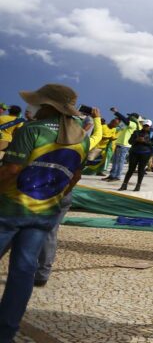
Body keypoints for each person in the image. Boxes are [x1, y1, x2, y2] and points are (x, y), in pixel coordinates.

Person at [0, 85, 101, 339]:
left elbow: (11, 170)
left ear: (47, 106)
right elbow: (75, 176)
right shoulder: (82, 136)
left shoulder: (32, 130)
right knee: (23, 272)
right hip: (44, 214)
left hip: (11, 209)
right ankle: (6, 332)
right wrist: (55, 196)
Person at [120, 120, 153, 191]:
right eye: (145, 125)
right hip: (134, 152)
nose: (146, 127)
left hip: (145, 154)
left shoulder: (152, 134)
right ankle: (124, 185)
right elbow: (129, 141)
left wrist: (144, 141)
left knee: (141, 170)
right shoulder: (136, 132)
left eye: (147, 126)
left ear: (150, 126)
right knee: (130, 169)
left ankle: (138, 186)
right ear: (142, 125)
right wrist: (136, 140)